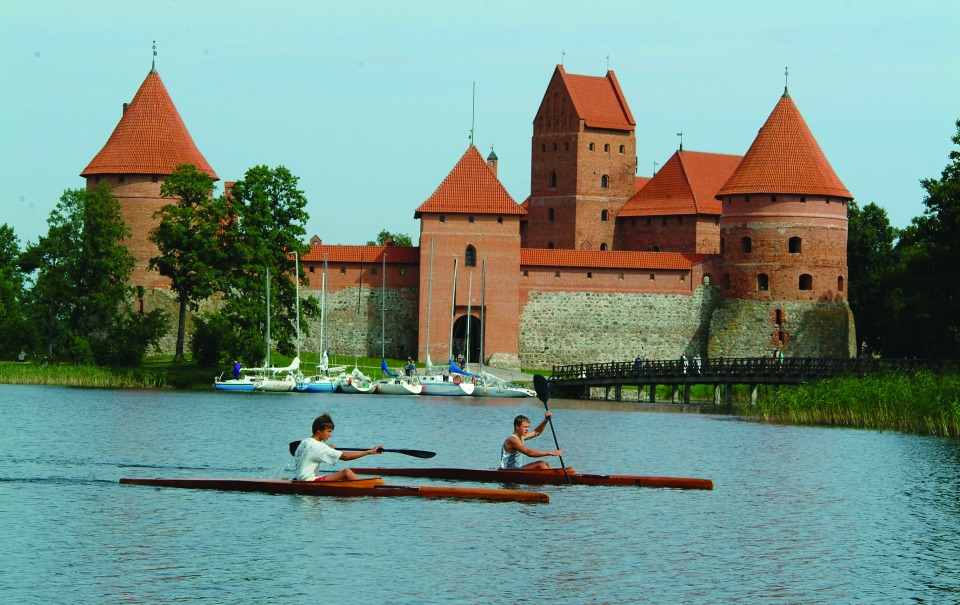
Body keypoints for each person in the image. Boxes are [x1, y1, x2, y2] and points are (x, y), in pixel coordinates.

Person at [293, 413, 384, 481]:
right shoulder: (319, 447)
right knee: (346, 472)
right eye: (328, 431)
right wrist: (370, 452)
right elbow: (346, 457)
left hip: (299, 479)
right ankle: (368, 489)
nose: (331, 435)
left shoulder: (304, 442)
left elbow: (314, 454)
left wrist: (329, 449)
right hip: (310, 482)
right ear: (319, 431)